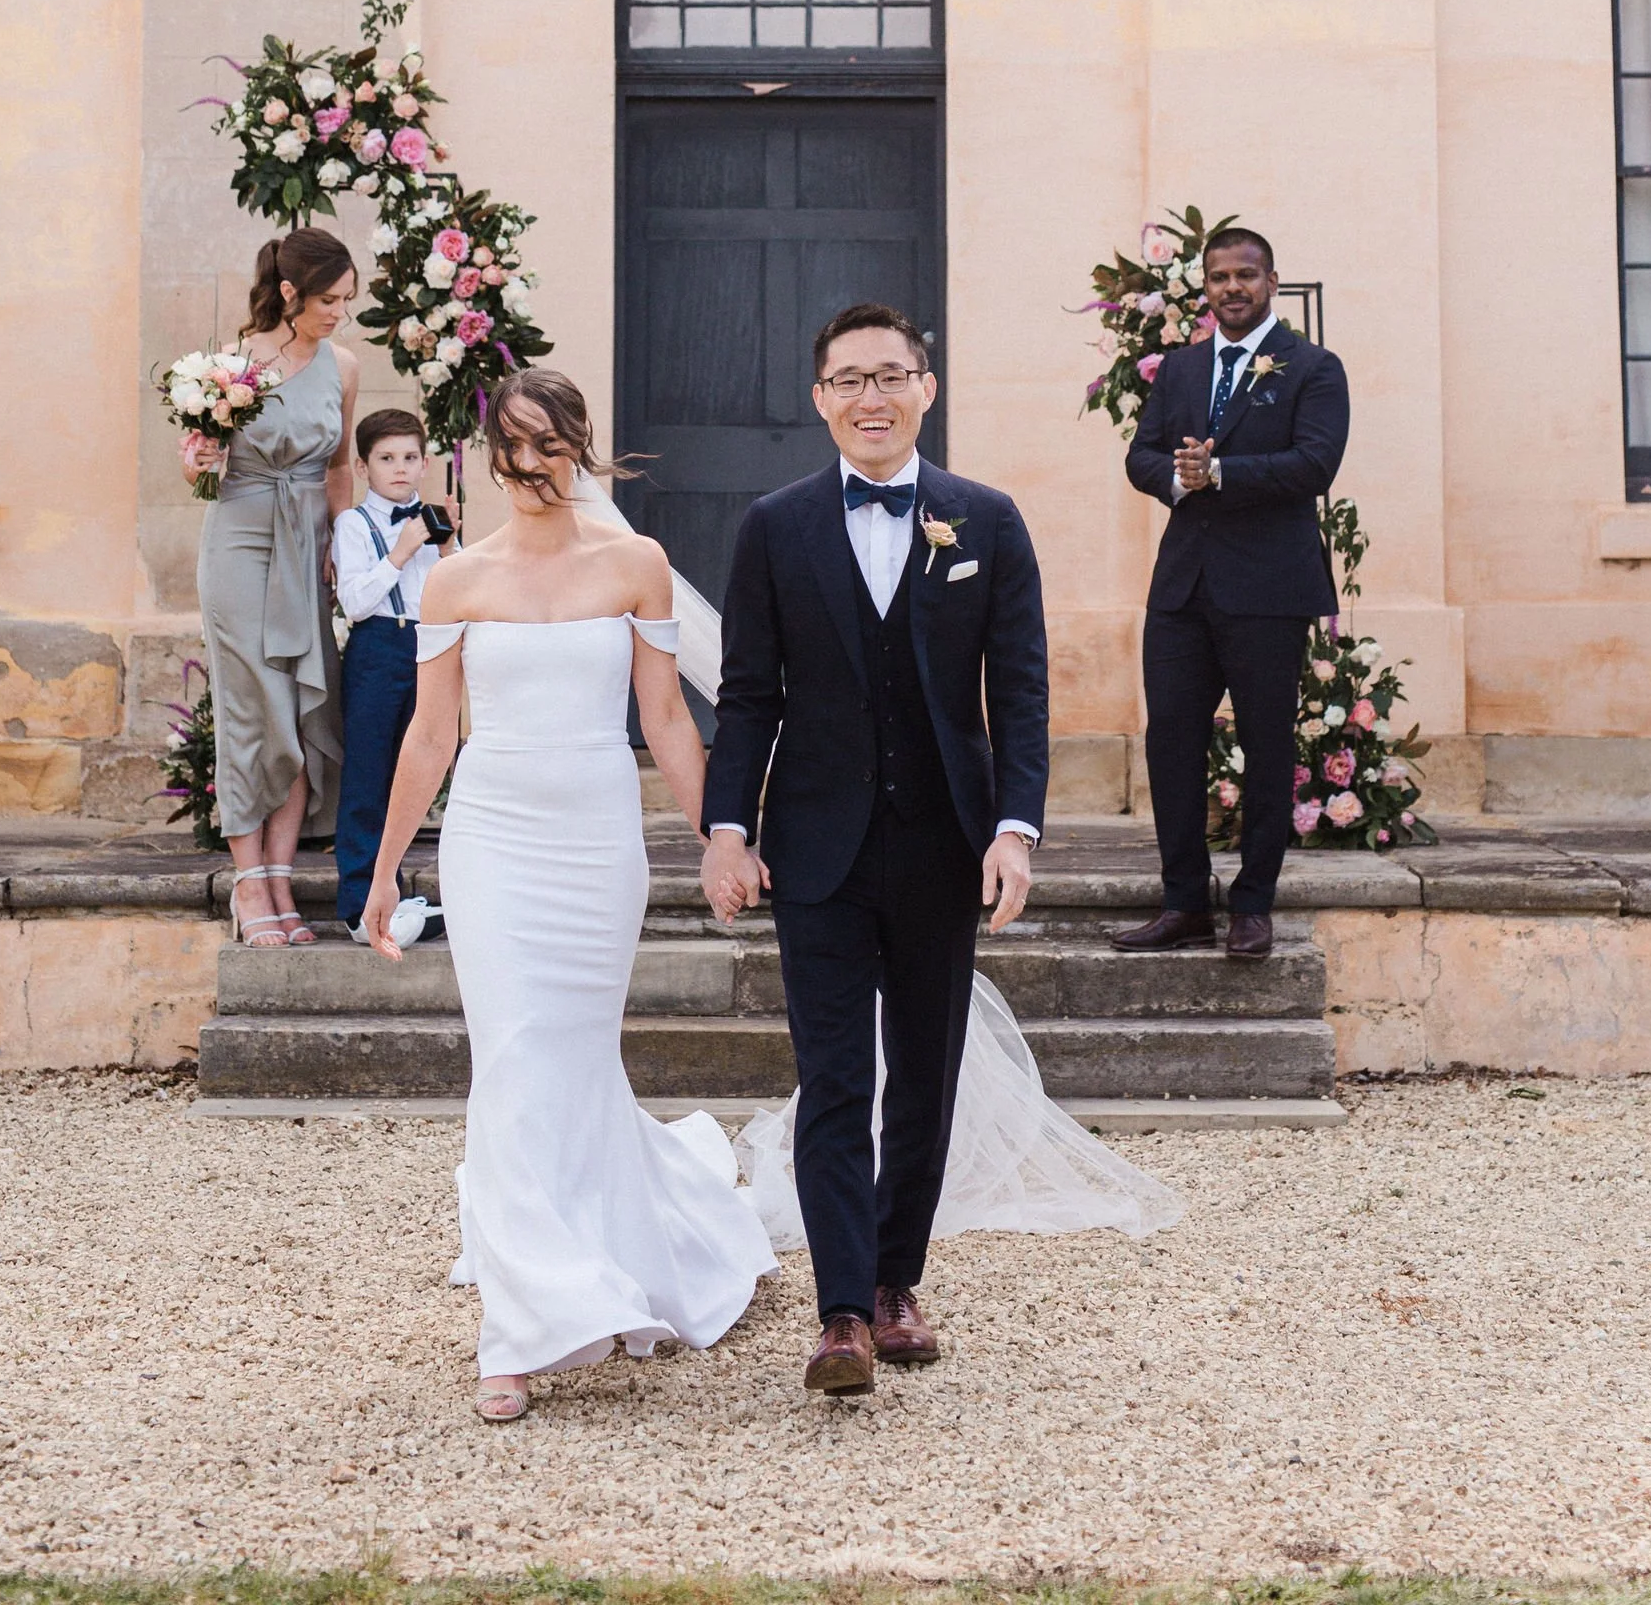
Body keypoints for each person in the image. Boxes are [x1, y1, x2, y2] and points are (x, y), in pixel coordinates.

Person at [360, 369, 777, 1425]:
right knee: (510, 1057)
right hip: (493, 836)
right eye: (514, 446)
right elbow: (430, 734)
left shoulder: (636, 564)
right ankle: (520, 1324)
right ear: (489, 454)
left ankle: (627, 1244)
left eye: (551, 445)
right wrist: (380, 869)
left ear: (580, 449)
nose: (532, 466)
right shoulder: (455, 579)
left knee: (574, 1055)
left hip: (597, 838)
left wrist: (718, 837)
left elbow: (668, 720)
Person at [699, 301, 1051, 1399]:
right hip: (816, 851)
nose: (870, 397)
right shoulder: (773, 525)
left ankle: (900, 1281)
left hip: (945, 844)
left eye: (889, 376)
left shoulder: (985, 521)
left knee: (926, 1082)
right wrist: (724, 827)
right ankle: (842, 1313)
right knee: (835, 1079)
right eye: (847, 379)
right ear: (818, 399)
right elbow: (748, 694)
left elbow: (1022, 692)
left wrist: (1014, 829)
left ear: (925, 389)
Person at [1114, 225, 1350, 964]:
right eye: (1219, 277)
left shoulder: (1313, 367)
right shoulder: (1181, 370)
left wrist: (1221, 474)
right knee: (1171, 743)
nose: (1233, 289)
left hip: (1269, 587)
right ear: (1205, 286)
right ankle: (1183, 902)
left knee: (1266, 744)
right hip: (1183, 586)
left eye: (1246, 275)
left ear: (1271, 282)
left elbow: (1314, 463)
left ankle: (1253, 904)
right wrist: (1176, 480)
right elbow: (1141, 454)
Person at [192, 227, 357, 949]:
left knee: (297, 705)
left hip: (307, 545)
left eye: (348, 300)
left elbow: (342, 469)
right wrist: (197, 457)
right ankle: (248, 883)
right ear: (289, 293)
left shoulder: (344, 366)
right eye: (329, 299)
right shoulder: (227, 367)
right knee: (251, 705)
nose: (339, 313)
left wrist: (344, 548)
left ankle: (283, 879)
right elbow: (201, 479)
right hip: (239, 539)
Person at [331, 406, 443, 944]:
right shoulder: (353, 525)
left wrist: (448, 548)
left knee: (420, 773)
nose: (400, 468)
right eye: (386, 458)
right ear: (363, 466)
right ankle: (360, 903)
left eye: (410, 457)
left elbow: (453, 591)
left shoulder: (434, 519)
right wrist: (402, 552)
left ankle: (398, 891)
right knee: (370, 775)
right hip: (378, 647)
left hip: (430, 649)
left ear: (424, 463)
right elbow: (353, 601)